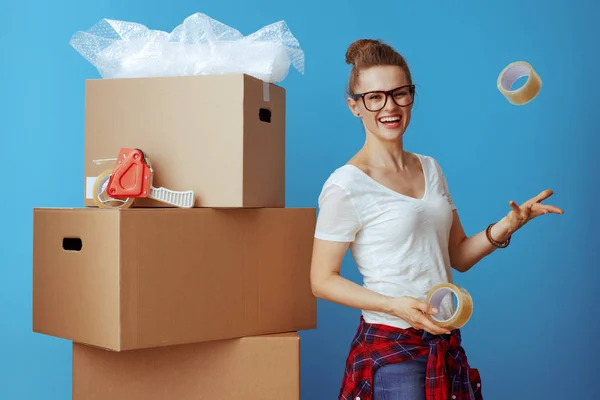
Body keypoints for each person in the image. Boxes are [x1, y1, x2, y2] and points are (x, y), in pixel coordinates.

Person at [309, 39, 564, 400]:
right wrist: (393, 304)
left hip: (443, 338)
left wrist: (508, 226)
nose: (390, 106)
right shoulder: (345, 184)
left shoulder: (430, 168)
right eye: (375, 97)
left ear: (412, 96)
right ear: (355, 106)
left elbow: (457, 255)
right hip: (392, 349)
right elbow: (321, 280)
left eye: (400, 93)